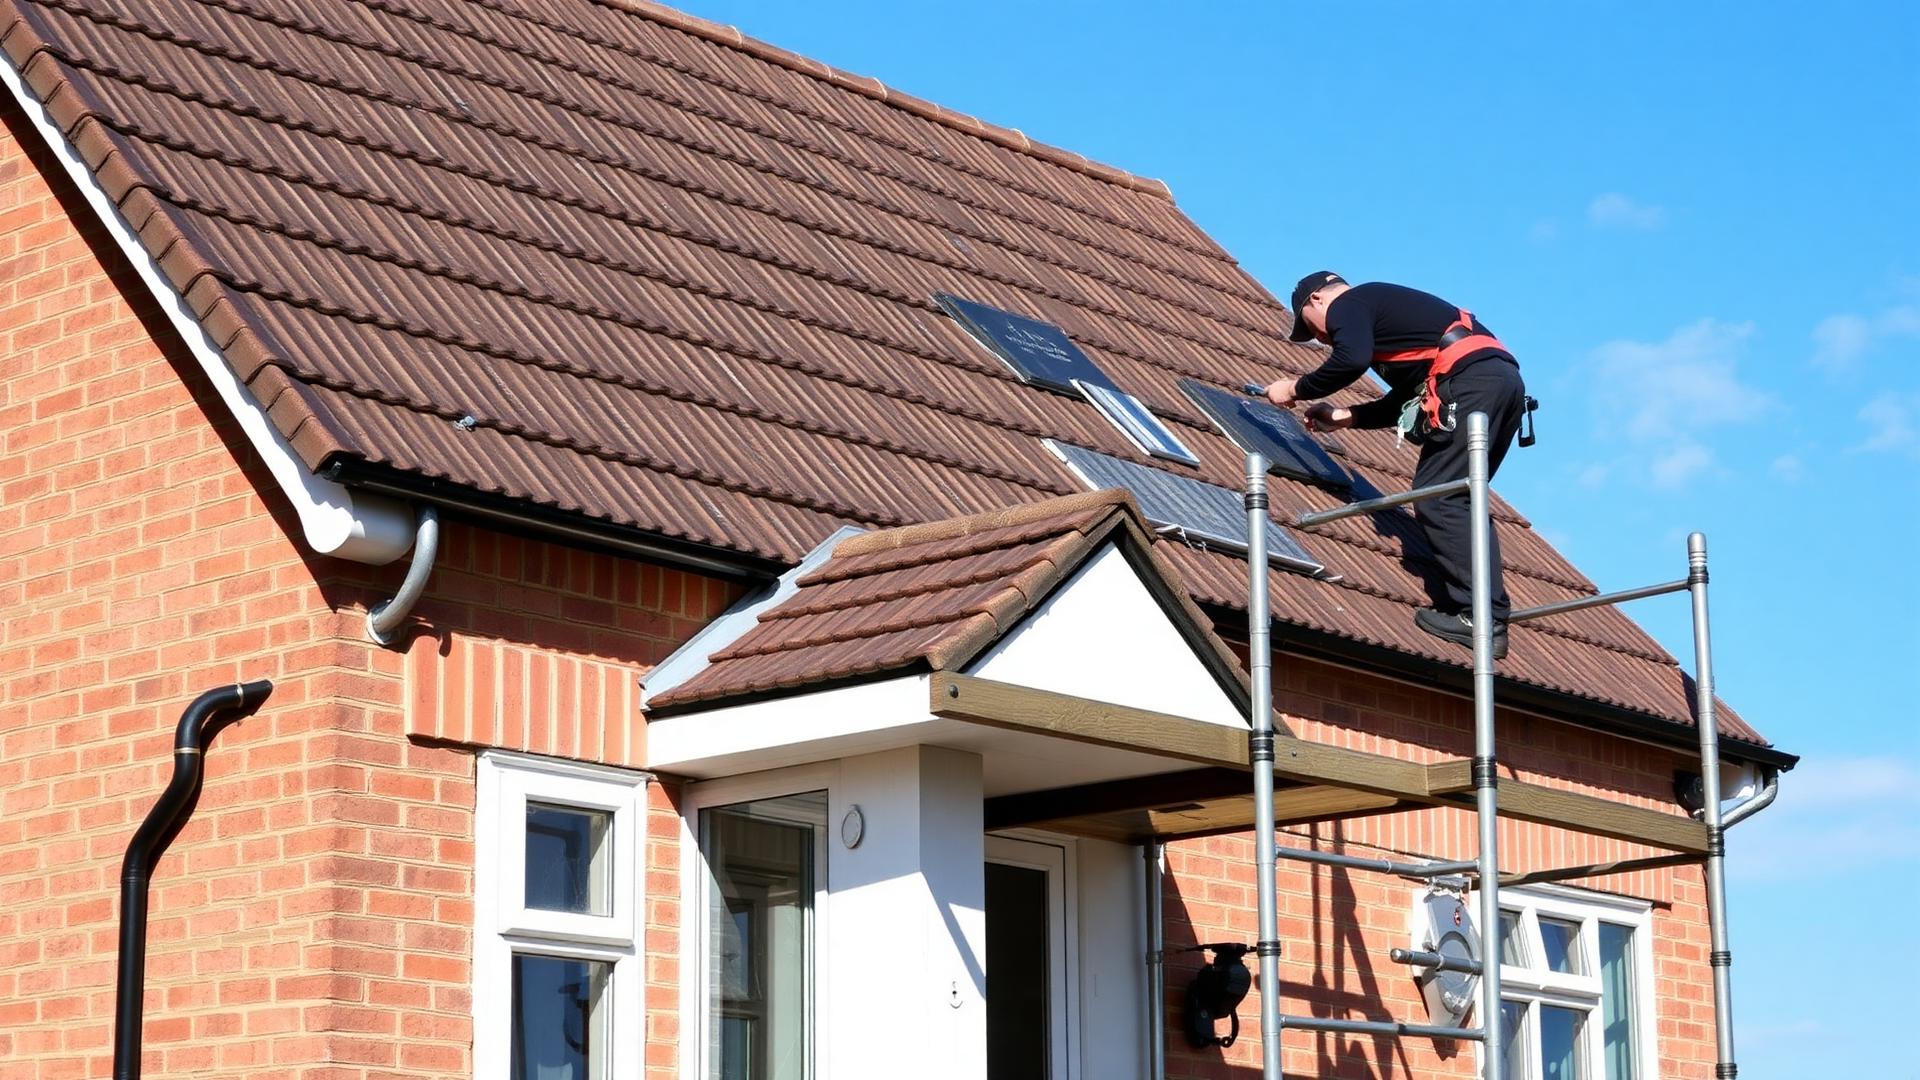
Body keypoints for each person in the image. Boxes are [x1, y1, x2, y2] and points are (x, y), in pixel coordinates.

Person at [1265, 271, 1529, 659]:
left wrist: (1294, 388)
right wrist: (1347, 416)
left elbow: (1350, 358)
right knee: (1460, 497)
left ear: (1317, 300)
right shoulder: (1391, 317)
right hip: (1499, 381)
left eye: (1313, 329)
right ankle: (1489, 618)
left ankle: (1479, 617)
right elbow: (1404, 396)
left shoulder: (1349, 304)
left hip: (1470, 381)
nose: (1322, 339)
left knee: (1438, 497)